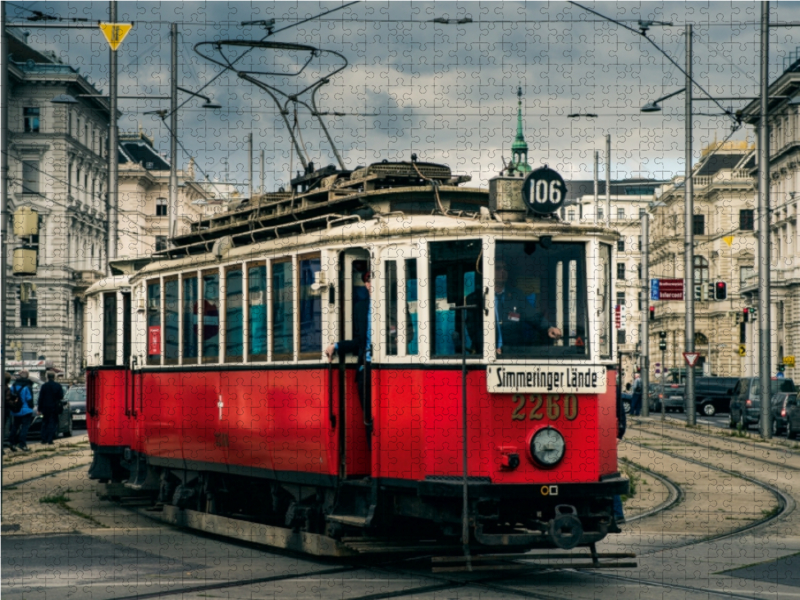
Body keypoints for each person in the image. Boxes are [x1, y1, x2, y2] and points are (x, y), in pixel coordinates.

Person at [466, 259, 562, 354]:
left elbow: (533, 316)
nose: (502, 271)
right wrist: (488, 349)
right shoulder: (476, 298)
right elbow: (473, 329)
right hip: (485, 356)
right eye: (498, 268)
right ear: (488, 271)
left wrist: (549, 328)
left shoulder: (516, 295)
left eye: (505, 268)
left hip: (512, 355)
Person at [325, 270, 371, 410]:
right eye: (368, 281)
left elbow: (408, 334)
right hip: (366, 365)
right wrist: (336, 346)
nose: (371, 284)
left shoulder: (394, 305)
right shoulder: (361, 308)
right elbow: (358, 340)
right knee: (367, 412)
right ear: (365, 284)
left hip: (387, 365)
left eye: (373, 280)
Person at [9, 370, 35, 452]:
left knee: (15, 426)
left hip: (16, 410)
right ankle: (22, 444)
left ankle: (11, 442)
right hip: (26, 409)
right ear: (27, 376)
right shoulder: (27, 386)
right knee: (25, 427)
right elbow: (29, 398)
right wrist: (32, 406)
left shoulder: (14, 385)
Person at [614, 372, 627, 525]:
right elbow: (621, 413)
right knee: (608, 473)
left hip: (606, 437)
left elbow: (620, 413)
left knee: (608, 473)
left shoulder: (613, 388)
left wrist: (619, 435)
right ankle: (617, 513)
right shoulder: (614, 387)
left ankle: (617, 512)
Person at [38, 371, 64, 446]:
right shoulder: (57, 385)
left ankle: (43, 439)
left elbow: (40, 398)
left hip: (45, 407)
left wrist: (39, 409)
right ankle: (50, 439)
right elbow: (61, 396)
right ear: (54, 377)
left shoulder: (44, 386)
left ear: (47, 377)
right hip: (54, 407)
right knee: (52, 423)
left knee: (44, 423)